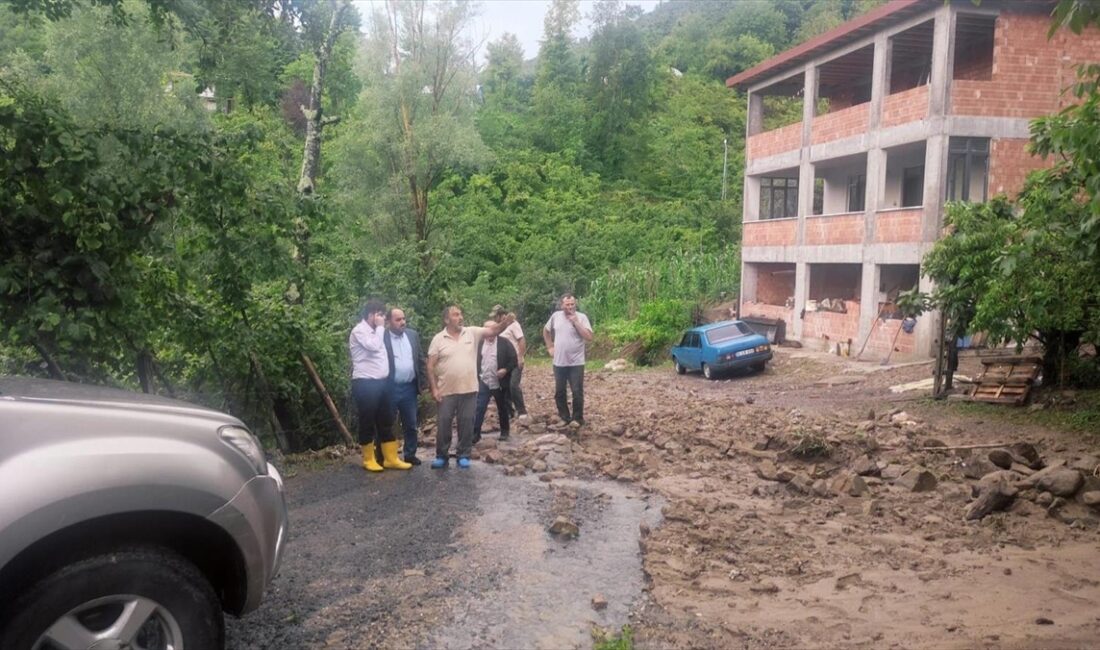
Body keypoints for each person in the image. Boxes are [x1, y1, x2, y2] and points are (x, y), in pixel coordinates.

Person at [426, 305, 503, 469]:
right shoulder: (438, 339)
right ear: (446, 319)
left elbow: (492, 331)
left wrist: (506, 322)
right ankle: (442, 455)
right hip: (445, 389)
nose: (460, 317)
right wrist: (434, 388)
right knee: (444, 423)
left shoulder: (472, 332)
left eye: (461, 314)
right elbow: (430, 366)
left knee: (467, 423)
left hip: (468, 388)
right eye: (455, 315)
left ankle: (463, 454)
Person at [349, 300, 411, 472]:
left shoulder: (377, 331)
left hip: (382, 383)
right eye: (380, 314)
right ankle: (368, 459)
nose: (383, 318)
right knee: (367, 420)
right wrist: (381, 327)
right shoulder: (359, 331)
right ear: (371, 314)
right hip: (365, 383)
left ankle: (391, 458)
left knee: (386, 420)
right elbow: (374, 346)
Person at [384, 307, 427, 465]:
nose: (402, 322)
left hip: (409, 388)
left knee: (410, 423)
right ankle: (385, 456)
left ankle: (410, 454)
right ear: (389, 322)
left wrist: (424, 382)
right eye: (398, 320)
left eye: (403, 319)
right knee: (387, 423)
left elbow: (420, 359)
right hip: (390, 388)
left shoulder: (412, 335)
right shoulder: (382, 337)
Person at [543, 293, 593, 427]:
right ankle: (564, 417)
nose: (570, 307)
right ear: (562, 305)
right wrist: (549, 347)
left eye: (572, 304)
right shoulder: (555, 316)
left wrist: (575, 322)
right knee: (559, 391)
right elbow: (546, 331)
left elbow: (588, 337)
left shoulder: (582, 317)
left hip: (576, 362)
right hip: (559, 362)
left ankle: (577, 418)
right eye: (567, 304)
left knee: (577, 391)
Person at [474, 320, 518, 443]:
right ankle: (475, 434)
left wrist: (505, 369)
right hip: (484, 380)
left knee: (502, 406)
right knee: (479, 407)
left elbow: (514, 359)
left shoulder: (504, 343)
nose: (488, 331)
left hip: (499, 382)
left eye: (491, 329)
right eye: (486, 329)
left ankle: (504, 431)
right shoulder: (479, 344)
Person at [491, 305, 528, 421]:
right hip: (503, 362)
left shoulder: (514, 325)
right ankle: (508, 412)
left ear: (502, 316)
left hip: (515, 359)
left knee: (513, 385)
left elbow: (521, 340)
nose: (495, 319)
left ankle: (521, 410)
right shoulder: (499, 327)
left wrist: (520, 357)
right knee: (505, 387)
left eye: (496, 316)